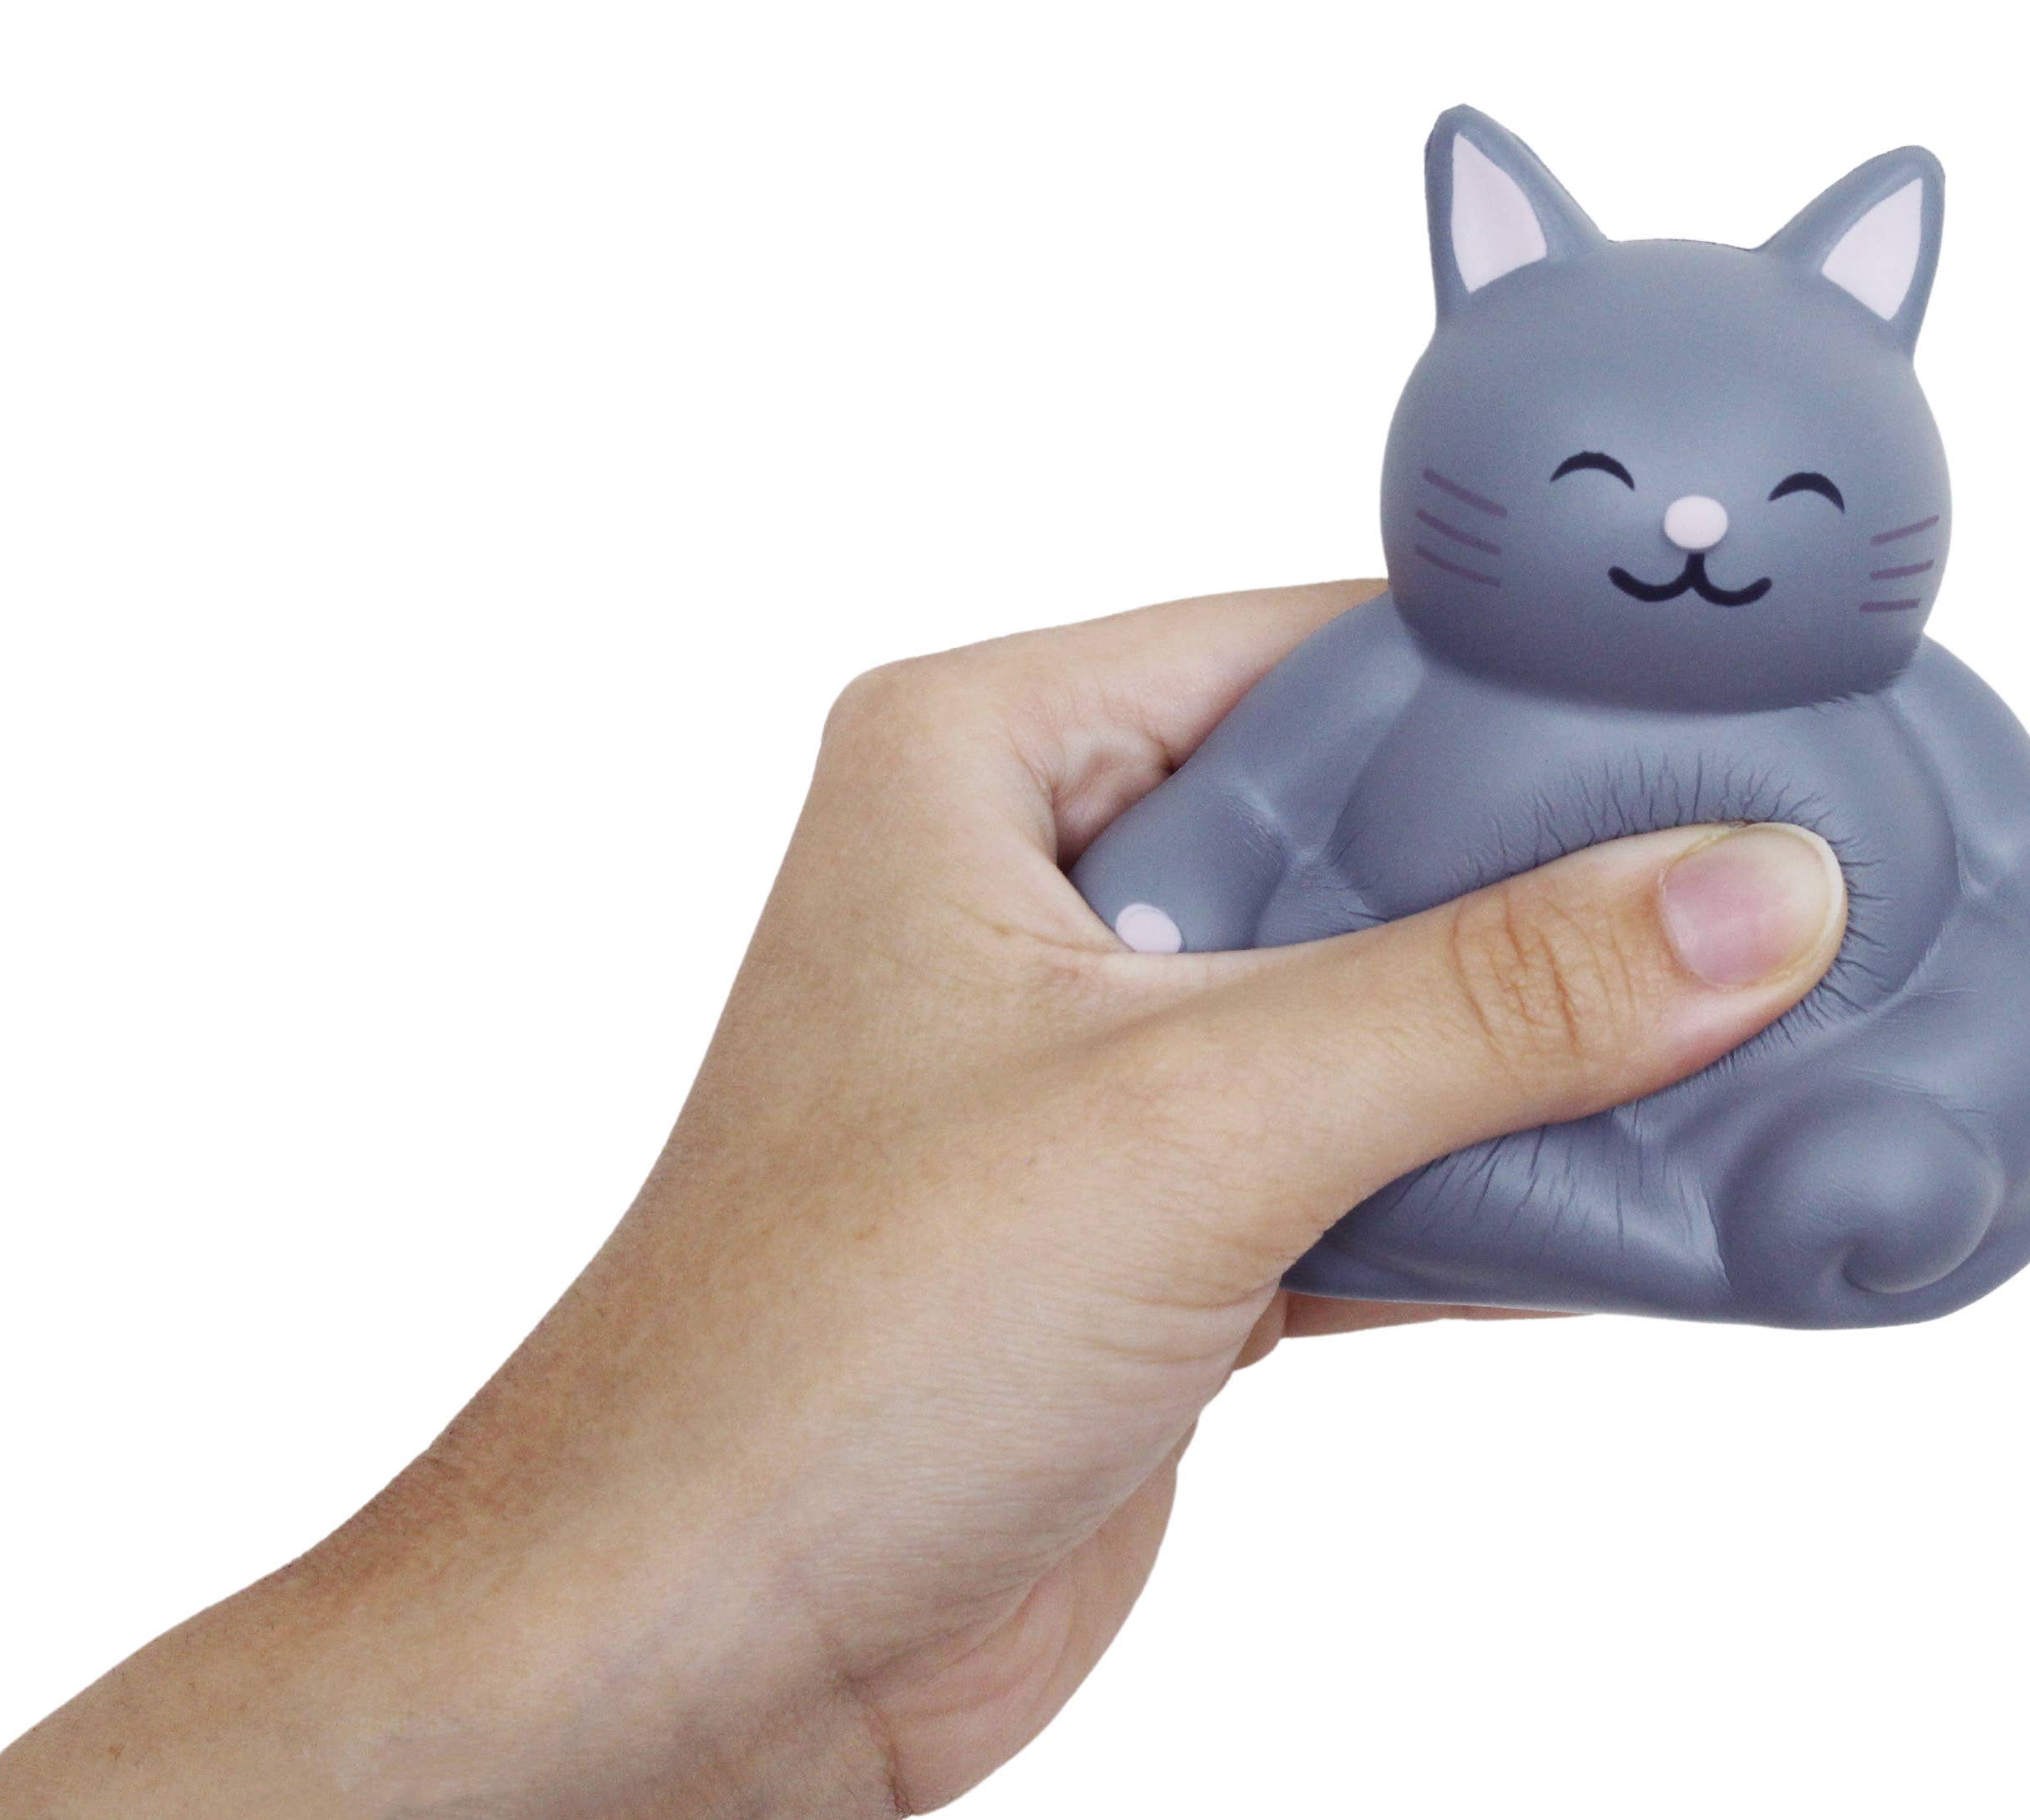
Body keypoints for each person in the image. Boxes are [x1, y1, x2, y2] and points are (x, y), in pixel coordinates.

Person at [0, 581, 1849, 1814]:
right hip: (1433, 1161)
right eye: (1597, 478)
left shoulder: (1872, 712)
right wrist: (1182, 891)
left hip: (1753, 1116)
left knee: (1843, 1163)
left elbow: (1999, 857)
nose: (1691, 538)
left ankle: (1847, 1180)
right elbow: (1261, 805)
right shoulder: (1401, 667)